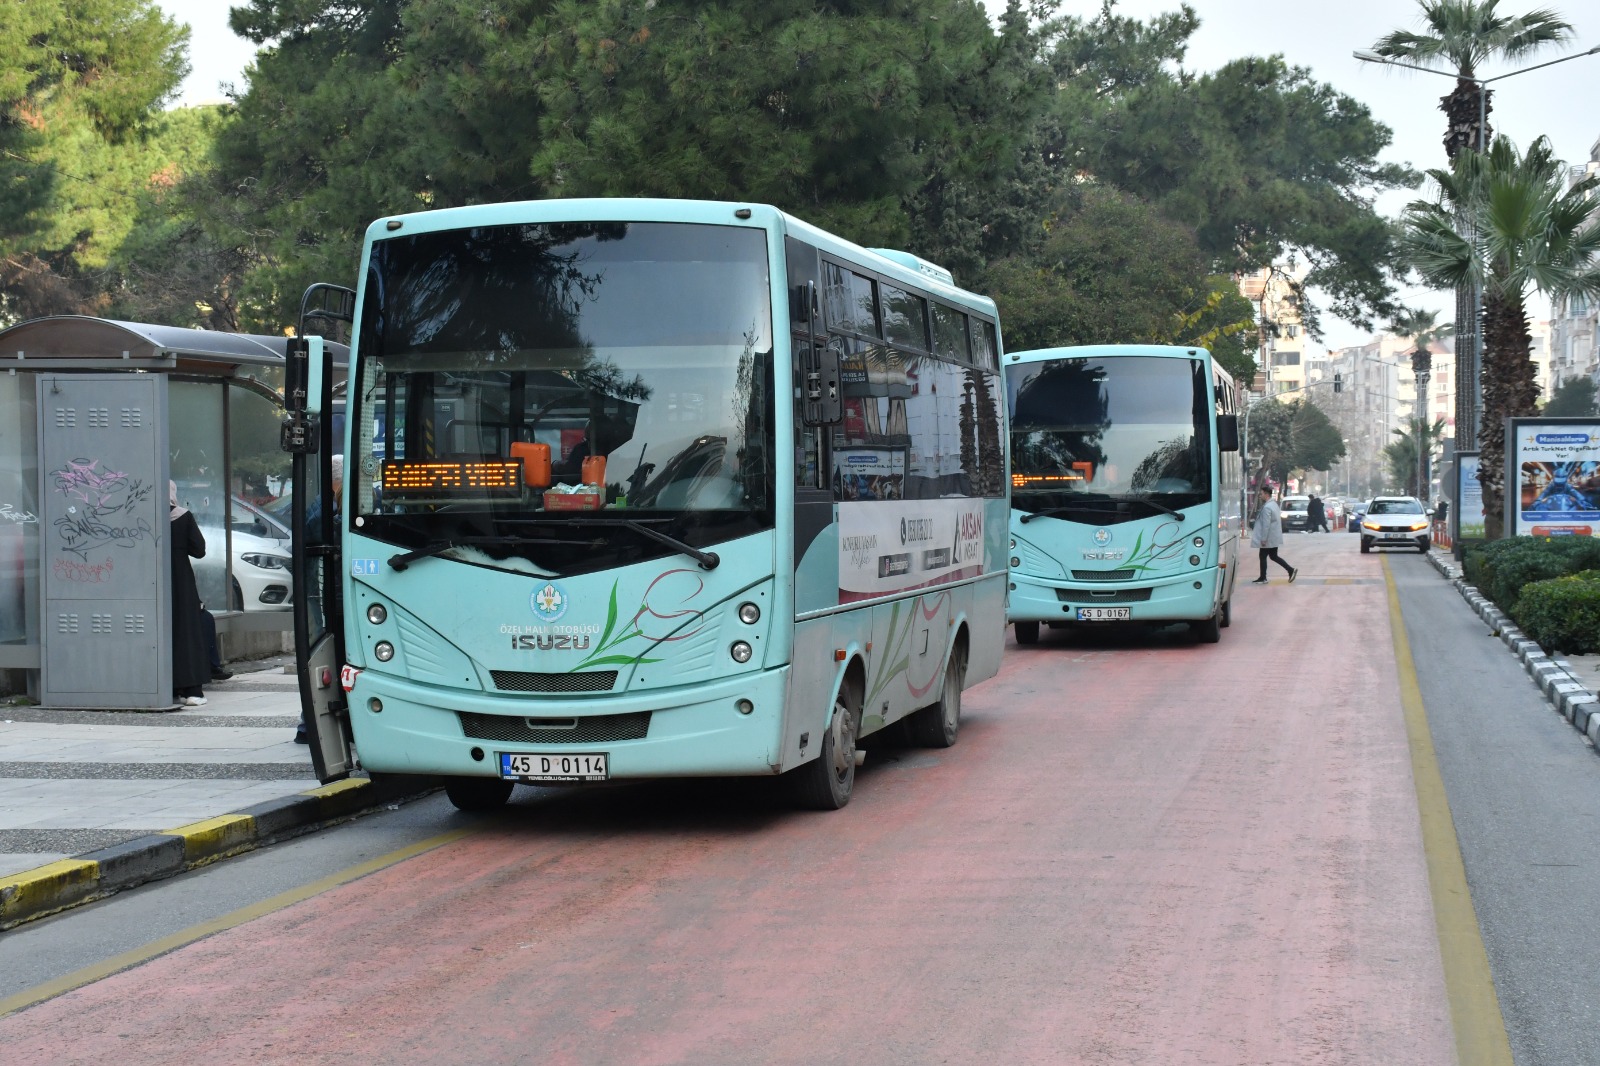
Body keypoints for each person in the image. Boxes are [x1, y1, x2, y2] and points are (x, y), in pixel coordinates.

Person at [170, 482, 210, 706]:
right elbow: (199, 549)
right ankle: (192, 690)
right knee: (186, 630)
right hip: (181, 582)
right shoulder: (183, 517)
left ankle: (168, 685)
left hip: (151, 581)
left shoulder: (144, 517)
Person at [1250, 484, 1297, 584]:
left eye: (1261, 494)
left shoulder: (1267, 507)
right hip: (1273, 537)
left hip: (1268, 538)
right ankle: (1290, 570)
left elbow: (1266, 524)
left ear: (1266, 494)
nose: (1260, 495)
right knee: (1273, 556)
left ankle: (1263, 577)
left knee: (1263, 556)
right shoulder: (1273, 504)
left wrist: (1263, 539)